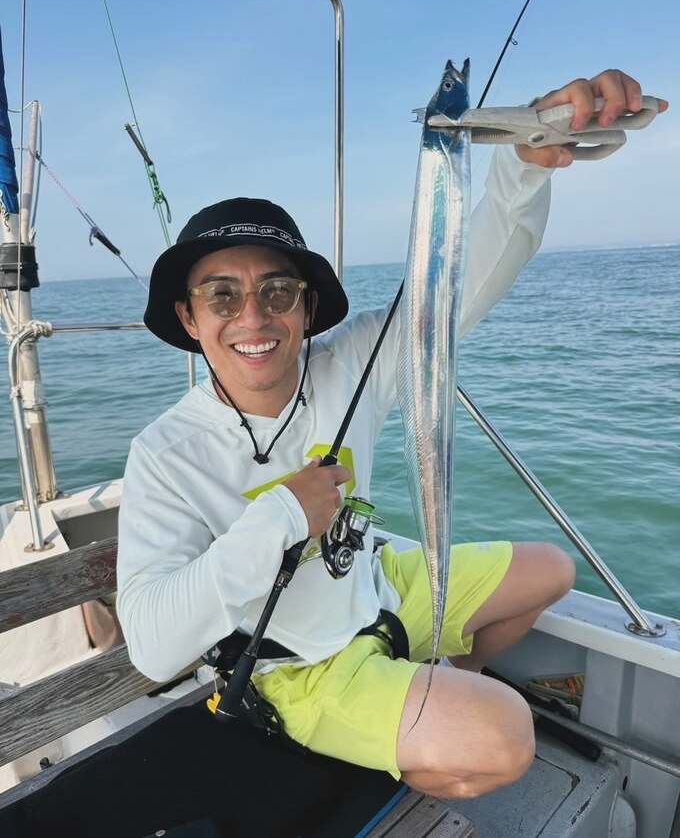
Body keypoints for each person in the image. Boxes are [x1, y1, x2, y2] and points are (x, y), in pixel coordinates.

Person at [117, 71, 661, 800]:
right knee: (505, 737)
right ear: (189, 318)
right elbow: (153, 647)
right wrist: (283, 516)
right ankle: (404, 730)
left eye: (277, 291)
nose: (253, 317)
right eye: (222, 295)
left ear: (307, 308)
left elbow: (456, 287)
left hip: (376, 590)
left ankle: (437, 685)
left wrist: (526, 165)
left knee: (552, 571)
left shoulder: (351, 362)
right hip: (296, 666)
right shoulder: (164, 453)